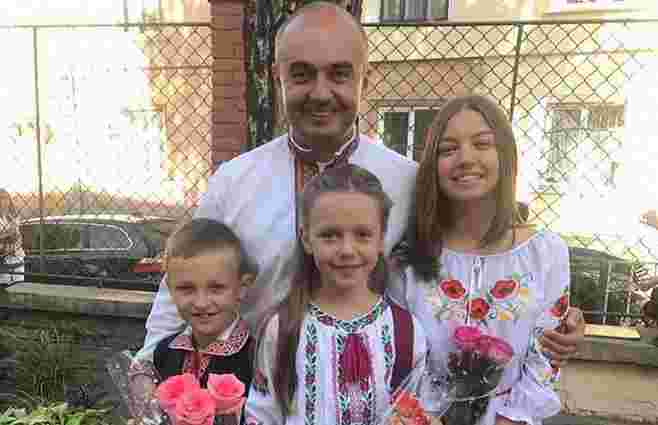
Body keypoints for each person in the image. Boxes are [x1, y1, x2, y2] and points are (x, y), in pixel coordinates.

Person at [139, 1, 584, 365]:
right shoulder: (234, 181)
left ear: (364, 80)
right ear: (278, 79)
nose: (320, 92)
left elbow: (474, 258)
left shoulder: (408, 182)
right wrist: (148, 364)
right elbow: (184, 278)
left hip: (375, 400)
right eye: (301, 74)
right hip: (253, 398)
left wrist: (552, 315)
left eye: (339, 74)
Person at [393, 95, 570, 425]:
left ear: (505, 155)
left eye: (482, 144)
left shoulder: (545, 253)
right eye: (448, 149)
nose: (465, 158)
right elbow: (398, 354)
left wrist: (511, 418)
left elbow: (547, 355)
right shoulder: (410, 257)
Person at [245, 164, 427, 425]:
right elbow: (261, 415)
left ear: (381, 239)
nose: (347, 250)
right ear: (306, 239)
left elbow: (417, 413)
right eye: (330, 235)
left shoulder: (407, 332)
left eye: (362, 235)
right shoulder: (282, 328)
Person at [129, 219, 257, 390]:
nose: (201, 303)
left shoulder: (255, 360)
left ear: (242, 288)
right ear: (170, 290)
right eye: (186, 288)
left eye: (216, 288)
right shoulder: (164, 352)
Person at [0, 189, 24, 286]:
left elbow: (18, 237)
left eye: (6, 198)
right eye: (1, 198)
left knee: (18, 286)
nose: (4, 201)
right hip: (2, 260)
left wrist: (16, 238)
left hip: (16, 258)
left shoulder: (11, 217)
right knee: (4, 288)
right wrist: (8, 233)